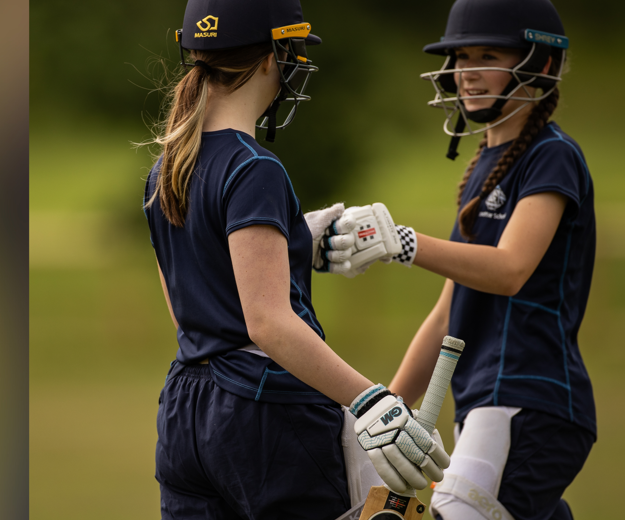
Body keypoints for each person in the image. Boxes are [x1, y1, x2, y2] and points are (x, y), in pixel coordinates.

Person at [141, 1, 449, 518]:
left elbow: (188, 307)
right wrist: (372, 401)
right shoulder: (254, 166)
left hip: (183, 411)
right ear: (271, 59)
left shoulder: (165, 166)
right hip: (265, 415)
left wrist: (292, 240)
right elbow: (266, 323)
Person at [319, 1, 596, 519]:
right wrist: (387, 412)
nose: (466, 73)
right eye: (461, 58)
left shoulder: (552, 155)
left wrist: (404, 243)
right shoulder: (479, 172)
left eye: (486, 56)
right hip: (488, 400)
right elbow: (450, 311)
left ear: (541, 63)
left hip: (530, 397)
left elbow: (511, 269)